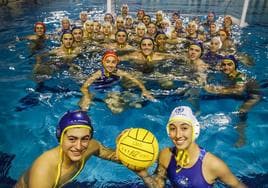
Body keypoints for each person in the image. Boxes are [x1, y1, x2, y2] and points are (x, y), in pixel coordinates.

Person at [133, 106, 247, 188]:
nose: (178, 135)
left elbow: (238, 185)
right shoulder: (165, 155)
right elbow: (158, 185)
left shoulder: (213, 165)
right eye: (173, 128)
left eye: (184, 128)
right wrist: (144, 175)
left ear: (194, 130)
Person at [15, 110, 119, 188]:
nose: (79, 147)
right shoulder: (43, 171)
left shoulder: (91, 146)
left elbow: (111, 154)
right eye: (72, 139)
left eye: (85, 139)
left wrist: (133, 158)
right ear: (60, 138)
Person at [204, 55, 260, 146]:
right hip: (243, 95)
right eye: (224, 65)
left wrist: (217, 90)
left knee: (241, 111)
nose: (226, 67)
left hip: (254, 96)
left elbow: (239, 90)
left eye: (229, 64)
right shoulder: (226, 74)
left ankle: (242, 136)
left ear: (235, 66)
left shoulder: (240, 76)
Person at [78, 50, 154, 113]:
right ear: (103, 62)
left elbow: (135, 80)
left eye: (113, 62)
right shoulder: (98, 74)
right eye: (108, 62)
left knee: (117, 110)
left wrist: (144, 90)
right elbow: (84, 87)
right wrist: (87, 96)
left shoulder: (119, 72)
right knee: (84, 106)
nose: (110, 65)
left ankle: (130, 104)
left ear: (117, 63)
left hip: (112, 89)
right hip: (95, 90)